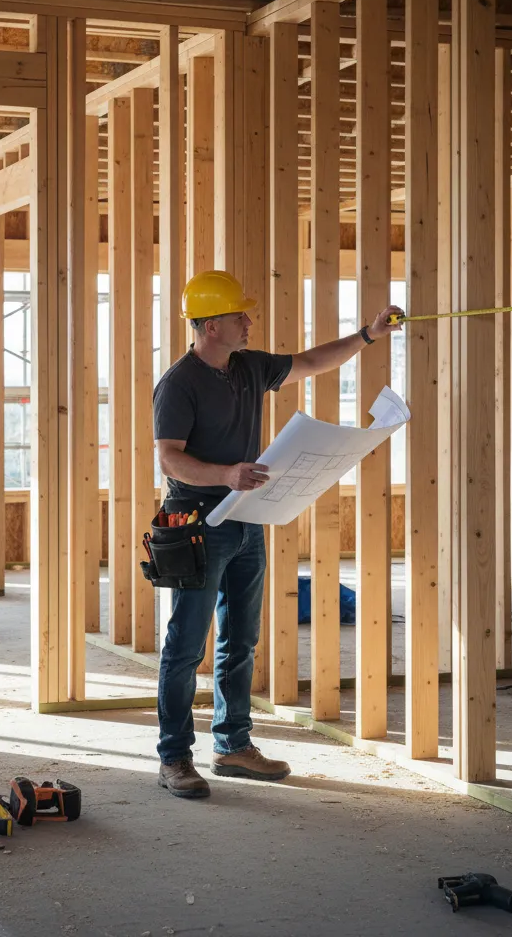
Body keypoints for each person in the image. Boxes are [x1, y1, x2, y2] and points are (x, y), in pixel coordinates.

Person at [152, 269, 403, 798]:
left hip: (247, 517)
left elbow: (311, 362)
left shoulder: (247, 367)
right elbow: (170, 458)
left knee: (240, 638)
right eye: (239, 315)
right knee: (185, 645)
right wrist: (224, 475)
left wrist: (368, 336)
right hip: (199, 524)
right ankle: (174, 758)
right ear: (211, 325)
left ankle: (232, 745)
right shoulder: (179, 383)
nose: (249, 321)